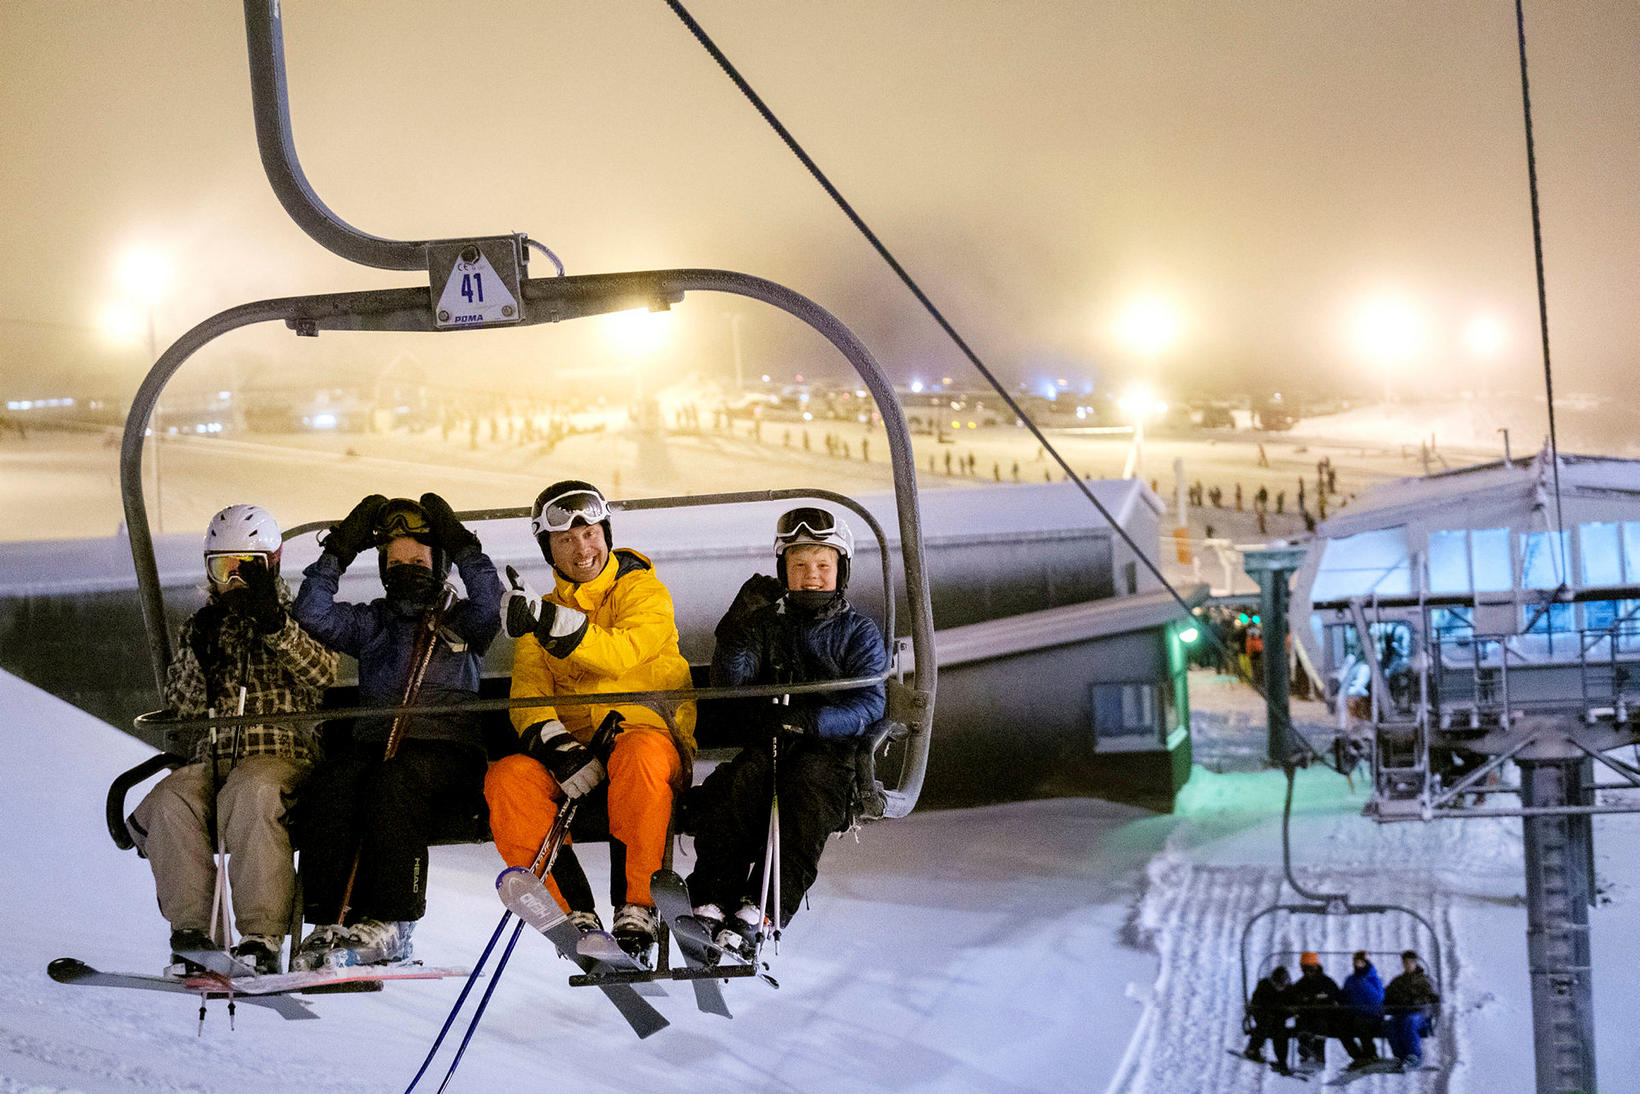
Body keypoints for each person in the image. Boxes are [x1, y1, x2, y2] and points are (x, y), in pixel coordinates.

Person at [485, 480, 696, 966]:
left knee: (639, 755)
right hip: (580, 761)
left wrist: (547, 621)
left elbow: (622, 653)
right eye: (565, 540)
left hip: (650, 743)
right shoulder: (539, 613)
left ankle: (637, 907)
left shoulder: (643, 589)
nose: (582, 548)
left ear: (606, 532)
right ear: (549, 550)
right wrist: (559, 748)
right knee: (508, 779)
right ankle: (573, 914)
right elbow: (528, 698)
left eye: (591, 533)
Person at [289, 493, 503, 968]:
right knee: (335, 781)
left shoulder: (463, 619)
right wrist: (339, 551)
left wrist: (462, 544)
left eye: (418, 558)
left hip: (447, 753)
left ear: (438, 563)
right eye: (394, 559)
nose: (404, 567)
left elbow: (491, 600)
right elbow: (311, 612)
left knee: (392, 782)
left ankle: (394, 923)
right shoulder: (373, 622)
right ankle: (330, 919)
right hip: (378, 749)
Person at [128, 505, 337, 975]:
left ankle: (260, 938)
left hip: (280, 757)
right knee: (170, 799)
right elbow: (181, 708)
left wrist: (273, 625)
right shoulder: (204, 625)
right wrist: (197, 658)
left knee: (252, 790)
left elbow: (324, 672)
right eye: (224, 569)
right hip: (214, 761)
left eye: (248, 568)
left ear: (273, 563)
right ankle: (194, 935)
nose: (235, 580)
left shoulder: (296, 615)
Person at [685, 507, 888, 958]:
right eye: (798, 566)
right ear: (784, 571)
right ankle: (712, 901)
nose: (810, 577)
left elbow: (871, 703)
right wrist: (736, 628)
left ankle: (763, 909)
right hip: (773, 743)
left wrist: (812, 721)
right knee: (736, 791)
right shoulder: (767, 627)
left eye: (822, 566)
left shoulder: (858, 632)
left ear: (841, 571)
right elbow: (730, 683)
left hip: (829, 754)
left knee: (805, 799)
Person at [1384, 949, 1439, 1069]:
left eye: (1410, 962)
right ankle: (1400, 1056)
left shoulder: (1425, 980)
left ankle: (1414, 1056)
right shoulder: (1398, 981)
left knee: (1408, 1022)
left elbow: (1433, 998)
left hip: (1420, 1015)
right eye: (1405, 962)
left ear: (1415, 963)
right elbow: (1387, 996)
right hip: (1402, 1013)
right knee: (1391, 1025)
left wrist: (1417, 1001)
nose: (1408, 965)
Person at [1288, 951, 1342, 1070]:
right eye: (1306, 969)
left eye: (1311, 969)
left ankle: (1318, 1056)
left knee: (1319, 1024)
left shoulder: (1327, 982)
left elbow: (1337, 996)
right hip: (1306, 1018)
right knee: (1302, 1022)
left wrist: (1326, 999)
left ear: (1317, 968)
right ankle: (1306, 1053)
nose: (1309, 972)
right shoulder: (1300, 985)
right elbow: (1291, 998)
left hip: (1324, 1018)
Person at [1243, 965, 1294, 1075]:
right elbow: (1256, 1001)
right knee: (1266, 1022)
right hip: (1264, 1015)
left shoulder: (1289, 989)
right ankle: (1253, 1049)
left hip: (1279, 1018)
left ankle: (1282, 1062)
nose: (1280, 987)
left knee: (1280, 1031)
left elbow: (1293, 1006)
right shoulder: (1264, 985)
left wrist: (1287, 1011)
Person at [1338, 949, 1386, 1067]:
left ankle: (1370, 1054)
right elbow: (1345, 996)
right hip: (1355, 1013)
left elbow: (1377, 998)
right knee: (1341, 1027)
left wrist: (1363, 982)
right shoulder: (1350, 980)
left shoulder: (1373, 979)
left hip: (1372, 1015)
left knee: (1361, 1024)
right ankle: (1358, 1056)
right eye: (1356, 962)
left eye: (1361, 962)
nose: (1358, 965)